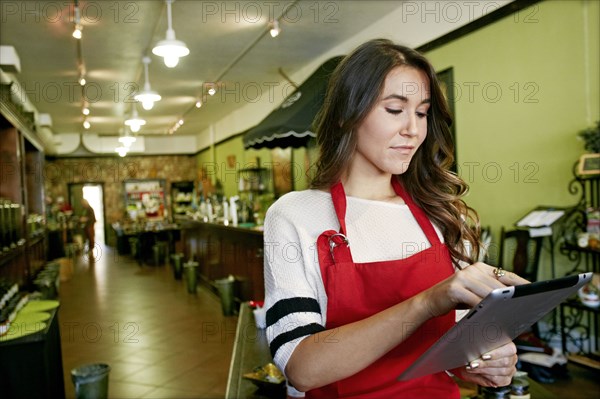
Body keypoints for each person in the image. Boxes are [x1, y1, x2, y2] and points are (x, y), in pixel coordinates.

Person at [262, 39, 529, 398]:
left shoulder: (441, 214)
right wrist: (427, 302)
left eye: (421, 113)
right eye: (394, 109)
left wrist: (484, 362)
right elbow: (302, 368)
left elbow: (453, 352)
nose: (413, 130)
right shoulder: (296, 215)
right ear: (346, 113)